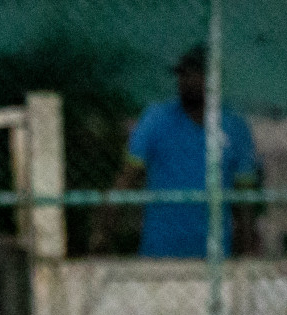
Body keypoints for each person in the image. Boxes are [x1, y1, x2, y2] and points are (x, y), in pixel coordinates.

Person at [96, 45, 259, 258]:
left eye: (194, 74)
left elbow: (244, 200)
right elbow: (127, 179)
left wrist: (247, 250)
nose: (186, 82)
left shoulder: (235, 127)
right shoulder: (155, 119)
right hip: (160, 252)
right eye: (182, 75)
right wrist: (102, 235)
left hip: (214, 256)